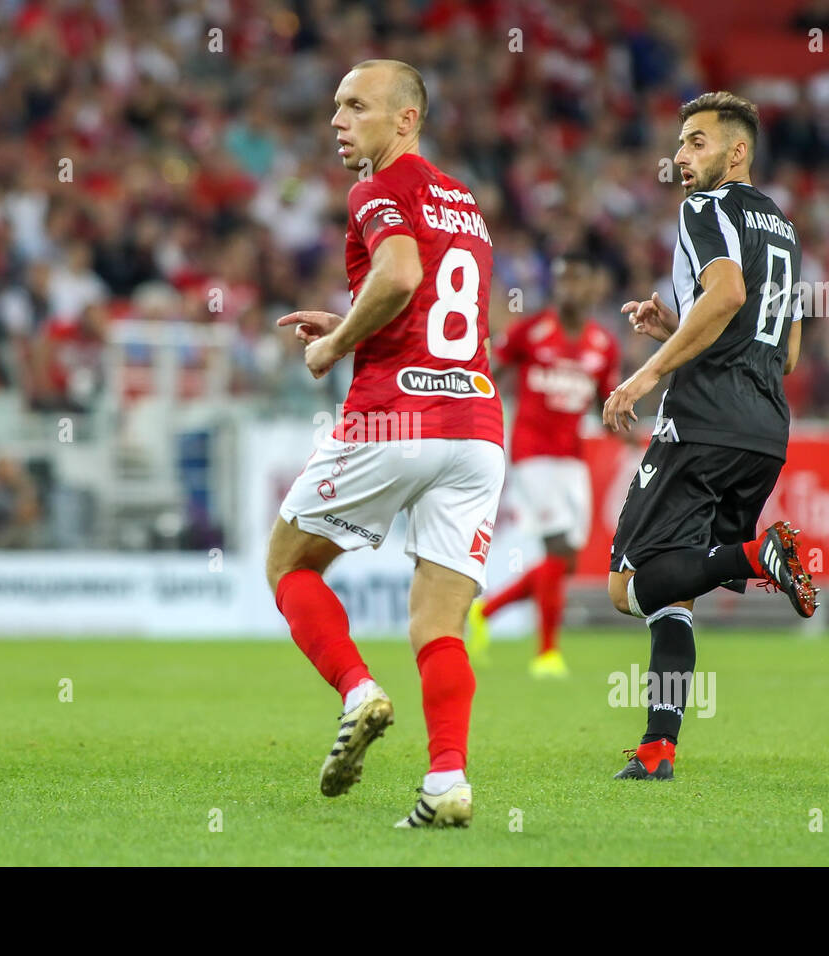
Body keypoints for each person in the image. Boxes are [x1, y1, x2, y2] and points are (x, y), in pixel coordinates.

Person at [267, 59, 504, 828]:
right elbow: (425, 293)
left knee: (289, 564)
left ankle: (359, 690)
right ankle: (446, 784)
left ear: (406, 119)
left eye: (356, 105)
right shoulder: (463, 200)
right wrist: (348, 320)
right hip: (473, 425)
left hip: (393, 417)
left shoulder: (375, 189)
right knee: (439, 624)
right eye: (335, 105)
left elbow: (400, 276)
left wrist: (337, 342)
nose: (337, 120)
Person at [600, 91, 819, 781]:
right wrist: (676, 328)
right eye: (680, 142)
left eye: (696, 142)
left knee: (628, 586)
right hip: (762, 428)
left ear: (737, 151)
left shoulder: (706, 209)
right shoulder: (783, 227)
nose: (680, 156)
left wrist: (645, 375)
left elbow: (724, 296)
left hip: (702, 422)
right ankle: (658, 747)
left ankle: (757, 558)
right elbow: (784, 352)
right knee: (676, 595)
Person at [468, 252, 620, 677]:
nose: (569, 288)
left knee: (566, 561)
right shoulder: (532, 331)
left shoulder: (603, 344)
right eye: (563, 280)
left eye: (578, 280)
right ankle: (547, 653)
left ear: (593, 288)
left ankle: (487, 610)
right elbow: (490, 369)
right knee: (556, 549)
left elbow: (606, 401)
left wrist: (625, 428)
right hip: (533, 455)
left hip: (572, 459)